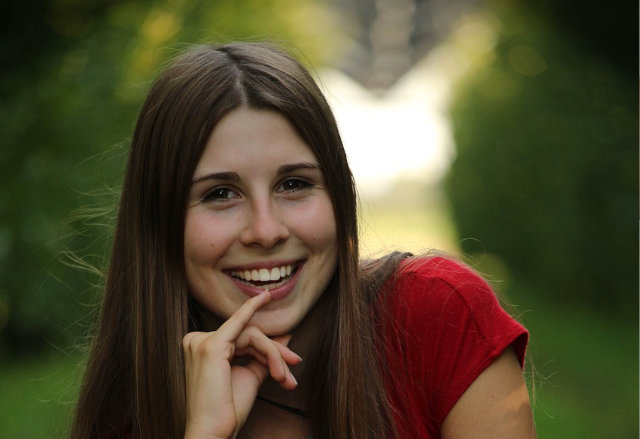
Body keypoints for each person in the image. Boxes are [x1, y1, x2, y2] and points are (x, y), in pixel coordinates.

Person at [70, 42, 536, 439]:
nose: (267, 230)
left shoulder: (435, 315)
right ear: (160, 225)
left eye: (293, 184)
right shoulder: (128, 416)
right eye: (220, 194)